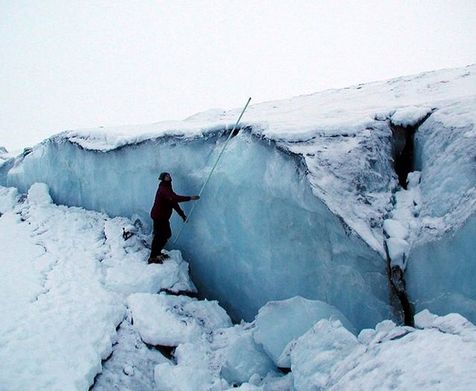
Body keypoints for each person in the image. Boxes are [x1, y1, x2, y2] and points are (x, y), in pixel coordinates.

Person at [148, 172, 199, 264]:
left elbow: (173, 203)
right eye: (166, 176)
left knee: (165, 234)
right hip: (159, 217)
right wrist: (190, 198)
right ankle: (153, 257)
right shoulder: (163, 189)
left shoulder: (168, 188)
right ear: (163, 178)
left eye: (169, 175)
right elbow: (174, 198)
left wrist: (183, 215)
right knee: (160, 236)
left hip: (162, 217)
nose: (169, 176)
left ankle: (157, 253)